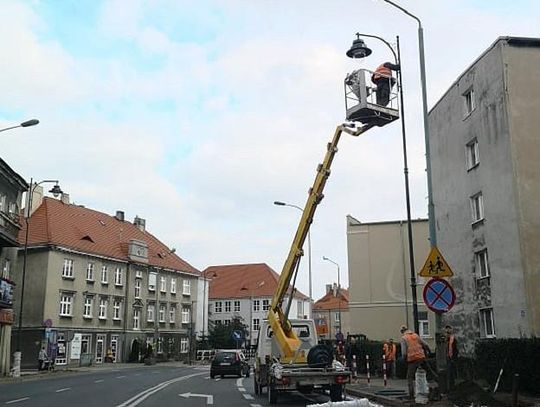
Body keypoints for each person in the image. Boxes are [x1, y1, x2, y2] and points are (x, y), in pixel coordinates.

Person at [400, 325, 432, 399]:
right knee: (430, 372)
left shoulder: (404, 338)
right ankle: (441, 387)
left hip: (413, 359)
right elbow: (426, 344)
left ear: (402, 332)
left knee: (409, 377)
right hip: (421, 357)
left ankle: (411, 395)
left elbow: (404, 353)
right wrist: (429, 353)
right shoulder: (415, 335)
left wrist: (404, 360)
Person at [445, 325, 459, 390]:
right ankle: (450, 387)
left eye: (448, 332)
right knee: (449, 374)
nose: (447, 334)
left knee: (451, 374)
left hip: (451, 359)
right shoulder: (446, 340)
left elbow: (455, 350)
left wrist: (453, 358)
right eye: (446, 332)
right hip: (448, 359)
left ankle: (452, 387)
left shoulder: (453, 340)